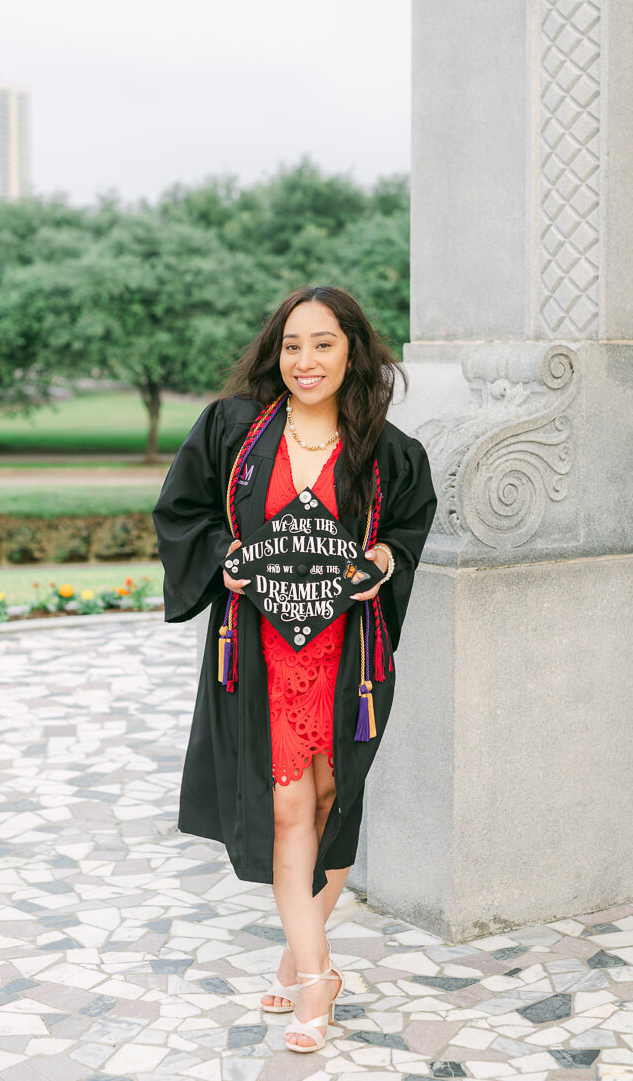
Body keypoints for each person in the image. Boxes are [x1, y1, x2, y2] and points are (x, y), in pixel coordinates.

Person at [152, 285, 438, 1052]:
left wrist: (385, 558)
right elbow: (184, 513)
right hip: (263, 652)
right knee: (287, 808)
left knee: (332, 799)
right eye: (291, 345)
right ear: (275, 353)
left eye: (323, 344)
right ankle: (319, 978)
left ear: (354, 350)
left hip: (347, 657)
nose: (304, 361)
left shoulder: (388, 450)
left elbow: (407, 529)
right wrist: (225, 561)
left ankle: (295, 946)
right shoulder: (234, 431)